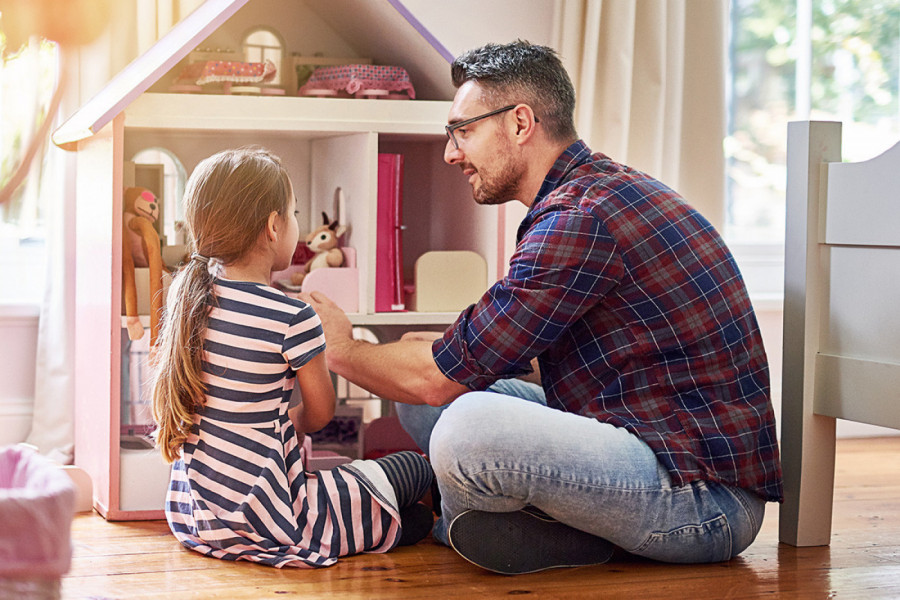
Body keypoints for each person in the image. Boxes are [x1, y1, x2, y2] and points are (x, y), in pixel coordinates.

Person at [301, 40, 783, 575]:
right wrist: (416, 358)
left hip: (700, 500)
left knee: (465, 425)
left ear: (520, 123)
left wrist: (337, 348)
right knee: (424, 387)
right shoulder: (586, 195)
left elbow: (437, 379)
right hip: (636, 435)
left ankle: (458, 519)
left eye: (463, 130)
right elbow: (470, 360)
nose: (451, 153)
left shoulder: (579, 218)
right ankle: (535, 524)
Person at [150, 147, 434, 569]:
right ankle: (442, 521)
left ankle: (412, 524)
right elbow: (320, 414)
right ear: (272, 226)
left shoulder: (186, 297)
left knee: (403, 515)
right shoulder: (292, 316)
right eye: (295, 213)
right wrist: (287, 425)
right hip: (275, 518)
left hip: (198, 520)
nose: (298, 226)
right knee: (415, 473)